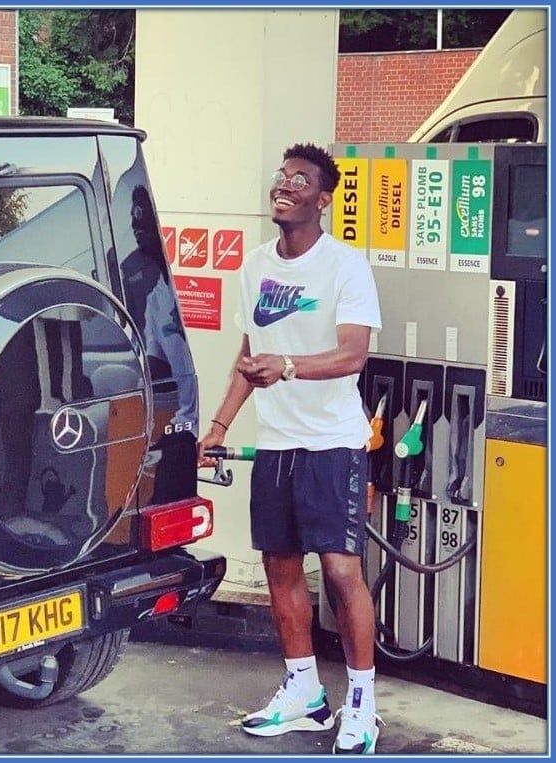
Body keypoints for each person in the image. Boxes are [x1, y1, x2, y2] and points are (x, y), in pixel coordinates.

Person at [197, 143, 382, 754]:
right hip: (276, 443)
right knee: (280, 563)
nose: (284, 186)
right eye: (281, 177)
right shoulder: (254, 267)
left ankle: (361, 704)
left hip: (332, 443)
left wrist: (291, 366)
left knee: (339, 570)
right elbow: (248, 362)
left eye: (299, 180)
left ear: (321, 200)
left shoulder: (344, 266)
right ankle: (304, 691)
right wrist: (219, 428)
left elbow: (354, 353)